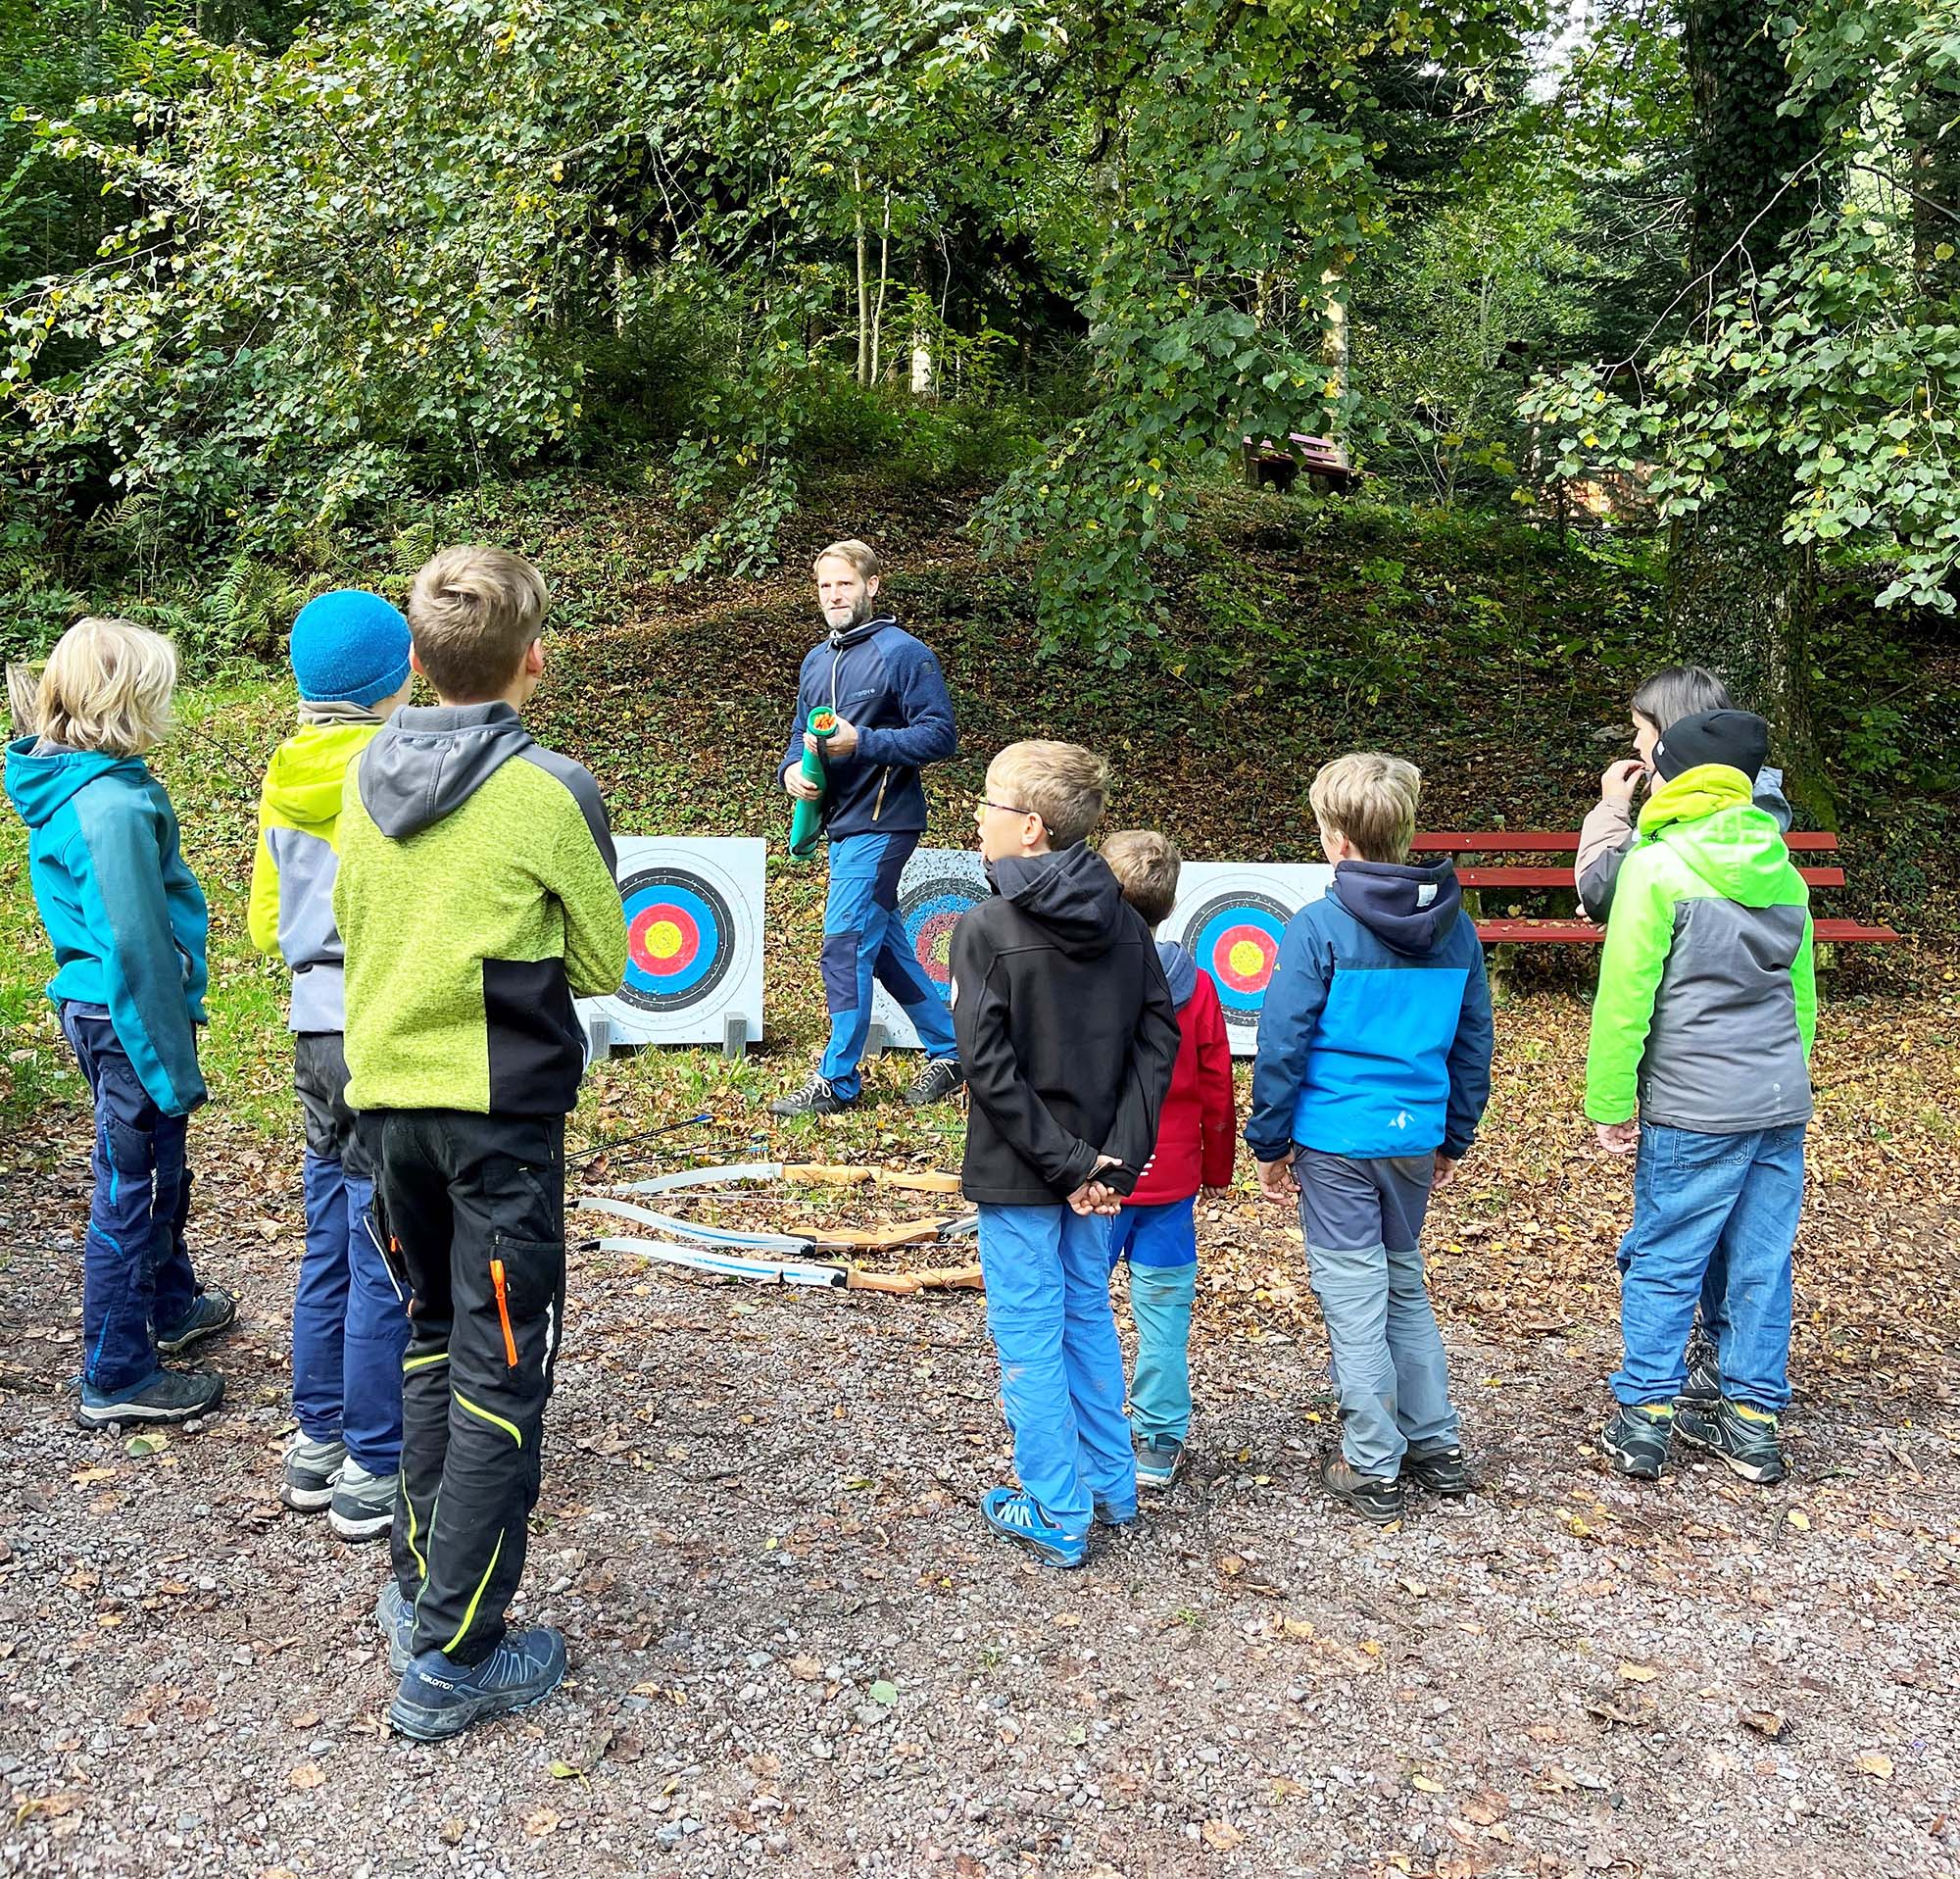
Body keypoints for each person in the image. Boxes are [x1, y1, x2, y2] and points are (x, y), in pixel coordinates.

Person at [333, 546, 626, 1740]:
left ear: (415, 661)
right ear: (534, 661)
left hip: (389, 1113)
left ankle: (421, 1596)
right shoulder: (551, 788)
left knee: (430, 1340)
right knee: (501, 1368)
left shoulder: (358, 773)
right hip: (498, 1130)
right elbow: (607, 961)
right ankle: (454, 1654)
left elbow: (352, 926)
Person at [1245, 753, 1493, 1526]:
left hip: (1335, 1141)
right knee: (1402, 1282)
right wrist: (1454, 1134)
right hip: (1411, 1137)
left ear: (1335, 841)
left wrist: (1270, 1141)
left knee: (1356, 1297)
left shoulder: (1319, 926)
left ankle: (1372, 1462)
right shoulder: (1457, 929)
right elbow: (1472, 1041)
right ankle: (1436, 1444)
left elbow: (1282, 1041)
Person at [951, 742, 1181, 1567]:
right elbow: (1159, 1041)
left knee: (1030, 1333)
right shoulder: (1125, 920)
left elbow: (987, 1069)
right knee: (1083, 1311)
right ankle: (1111, 1485)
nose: (976, 817)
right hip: (1096, 1175)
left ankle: (1056, 1505)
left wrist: (1076, 1164)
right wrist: (1110, 1160)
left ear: (1033, 830)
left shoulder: (985, 928)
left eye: (988, 804)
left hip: (1027, 1174)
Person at [4, 618, 235, 1428]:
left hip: (108, 1005)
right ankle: (116, 1370)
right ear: (129, 700)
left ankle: (170, 1305)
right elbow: (136, 944)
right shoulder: (107, 805)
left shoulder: (96, 782)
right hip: (127, 1012)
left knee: (156, 1170)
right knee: (131, 1189)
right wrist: (170, 1064)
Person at [1587, 710, 1814, 1489]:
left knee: (1666, 1255)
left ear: (1674, 778)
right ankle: (1751, 1421)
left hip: (1693, 1106)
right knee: (1760, 1261)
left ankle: (1645, 1415)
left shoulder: (1655, 866)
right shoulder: (1783, 870)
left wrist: (1610, 1101)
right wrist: (1783, 1076)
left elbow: (1625, 999)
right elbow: (1802, 1002)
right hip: (1777, 1102)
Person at [249, 590, 416, 1539]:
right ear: (399, 674)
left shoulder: (288, 765)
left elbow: (269, 921)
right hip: (377, 1023)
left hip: (314, 1025)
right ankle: (373, 1462)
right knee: (379, 1245)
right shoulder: (392, 766)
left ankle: (316, 1441)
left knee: (328, 1234)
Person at [773, 539, 964, 1116]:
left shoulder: (904, 653)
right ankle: (952, 1052)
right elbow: (797, 736)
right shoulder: (814, 660)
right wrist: (790, 775)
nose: (834, 595)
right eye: (825, 585)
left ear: (872, 586)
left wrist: (866, 743)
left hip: (886, 821)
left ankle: (837, 1079)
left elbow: (940, 735)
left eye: (845, 584)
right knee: (879, 947)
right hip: (840, 823)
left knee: (844, 942)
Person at [1099, 829, 1236, 1490]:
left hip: (1096, 1177)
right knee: (1162, 1312)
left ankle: (1091, 1428)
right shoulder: (1199, 985)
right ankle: (1157, 1437)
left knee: (1083, 1305)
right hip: (1172, 1175)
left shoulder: (1085, 974)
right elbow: (1216, 1084)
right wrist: (1216, 1167)